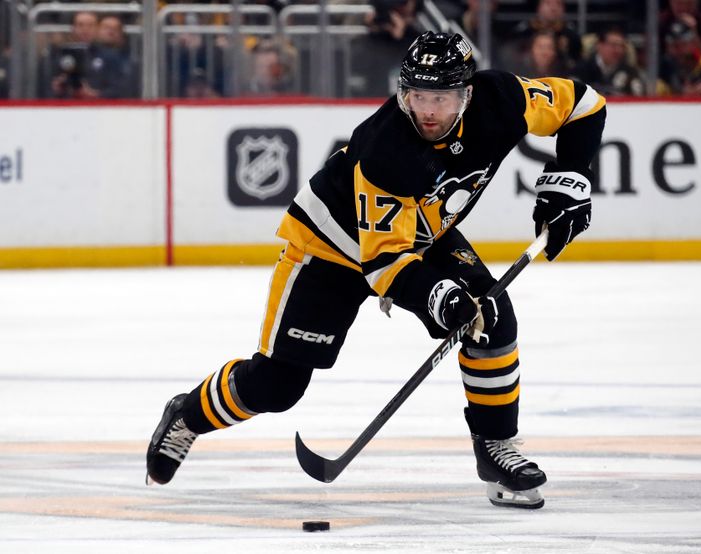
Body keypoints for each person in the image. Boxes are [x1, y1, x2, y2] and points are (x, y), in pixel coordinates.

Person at [146, 31, 606, 509]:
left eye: (442, 99)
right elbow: (384, 265)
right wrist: (440, 298)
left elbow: (585, 104)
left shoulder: (504, 99)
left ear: (468, 94)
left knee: (491, 316)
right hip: (328, 247)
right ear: (403, 92)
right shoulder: (385, 148)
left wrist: (572, 176)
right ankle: (187, 414)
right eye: (418, 96)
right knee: (276, 386)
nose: (429, 111)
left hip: (419, 231)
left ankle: (494, 448)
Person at [573, 26, 646, 96]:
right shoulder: (581, 69)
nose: (618, 50)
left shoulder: (630, 72)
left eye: (621, 46)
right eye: (613, 45)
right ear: (599, 45)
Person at [657, 20, 701, 96]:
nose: (678, 50)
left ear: (694, 43)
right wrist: (682, 95)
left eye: (683, 44)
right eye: (673, 45)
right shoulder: (665, 66)